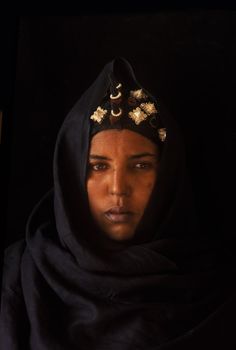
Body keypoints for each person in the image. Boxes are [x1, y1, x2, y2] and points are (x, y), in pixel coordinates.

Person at [0, 57, 235, 349]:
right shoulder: (18, 280)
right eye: (98, 167)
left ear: (168, 176)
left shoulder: (217, 290)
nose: (117, 189)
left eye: (140, 166)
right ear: (70, 178)